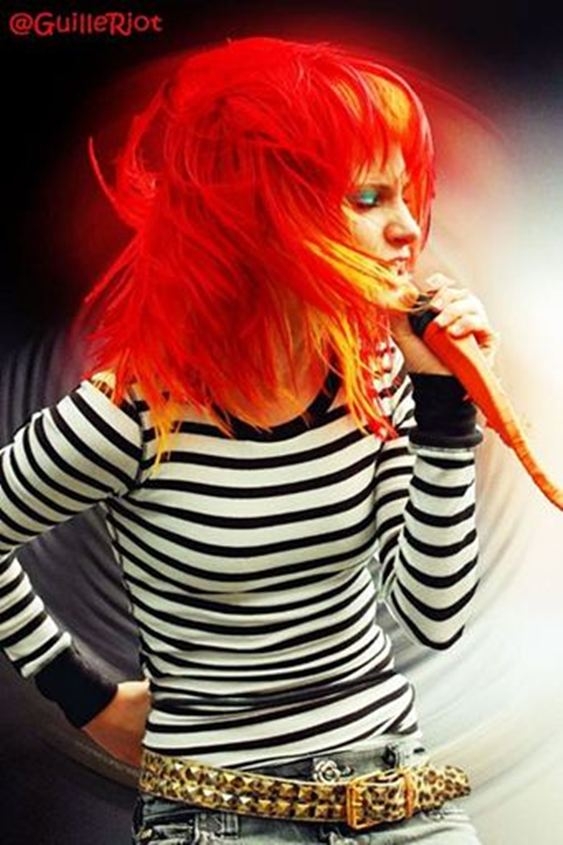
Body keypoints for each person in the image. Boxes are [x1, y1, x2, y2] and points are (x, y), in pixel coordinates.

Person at [0, 36, 497, 843]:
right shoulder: (131, 413)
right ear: (259, 213)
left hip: (395, 793)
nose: (409, 228)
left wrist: (446, 406)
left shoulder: (376, 375)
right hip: (220, 815)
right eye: (368, 198)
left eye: (408, 196)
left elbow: (432, 613)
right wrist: (80, 692)